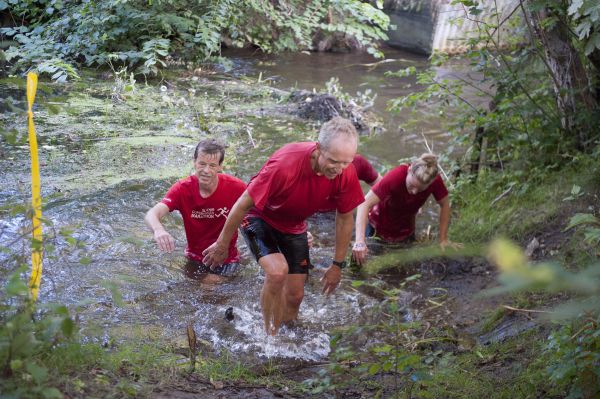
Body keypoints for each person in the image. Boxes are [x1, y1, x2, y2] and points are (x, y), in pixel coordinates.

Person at [202, 116, 365, 335]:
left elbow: (345, 218)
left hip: (294, 226)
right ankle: (269, 338)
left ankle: (288, 333)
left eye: (346, 162)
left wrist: (337, 265)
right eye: (334, 161)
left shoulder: (346, 173)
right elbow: (242, 204)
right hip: (259, 216)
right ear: (318, 149)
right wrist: (222, 244)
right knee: (278, 272)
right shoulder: (285, 165)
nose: (339, 168)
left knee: (295, 295)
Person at [145, 139, 246, 280]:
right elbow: (152, 213)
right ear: (194, 162)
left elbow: (257, 213)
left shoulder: (236, 188)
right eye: (202, 164)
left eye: (212, 165)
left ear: (220, 167)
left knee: (209, 286)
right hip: (194, 257)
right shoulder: (182, 189)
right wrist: (158, 230)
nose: (206, 170)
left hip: (226, 258)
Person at [352, 153, 460, 266]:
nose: (414, 192)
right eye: (411, 185)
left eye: (420, 189)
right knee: (368, 266)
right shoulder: (396, 176)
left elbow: (445, 205)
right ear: (409, 170)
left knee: (404, 269)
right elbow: (364, 204)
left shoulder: (434, 181)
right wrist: (360, 241)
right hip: (377, 228)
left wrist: (443, 239)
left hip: (406, 231)